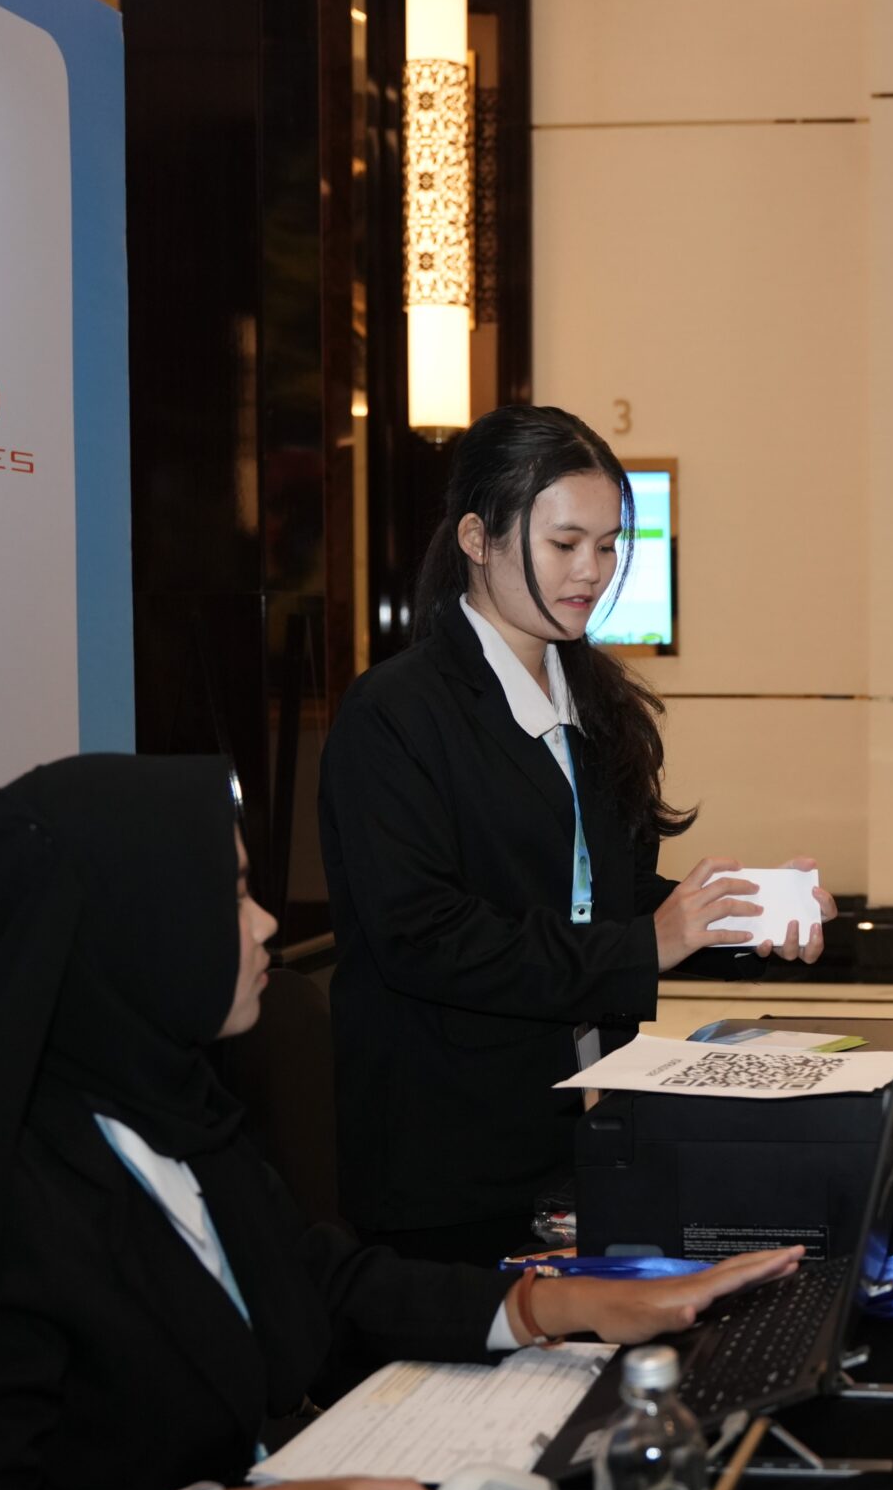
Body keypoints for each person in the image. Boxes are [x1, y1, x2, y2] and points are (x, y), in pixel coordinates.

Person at [0, 755, 798, 1490]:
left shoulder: (170, 1103)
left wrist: (563, 1305)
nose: (269, 921)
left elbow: (315, 1282)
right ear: (133, 931)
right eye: (230, 895)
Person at [319, 405, 833, 1263]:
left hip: (583, 1124)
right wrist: (648, 943)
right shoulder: (395, 713)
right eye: (564, 544)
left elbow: (600, 898)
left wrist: (740, 917)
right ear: (477, 538)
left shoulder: (593, 699)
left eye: (608, 544)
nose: (591, 571)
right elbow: (426, 936)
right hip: (449, 1156)